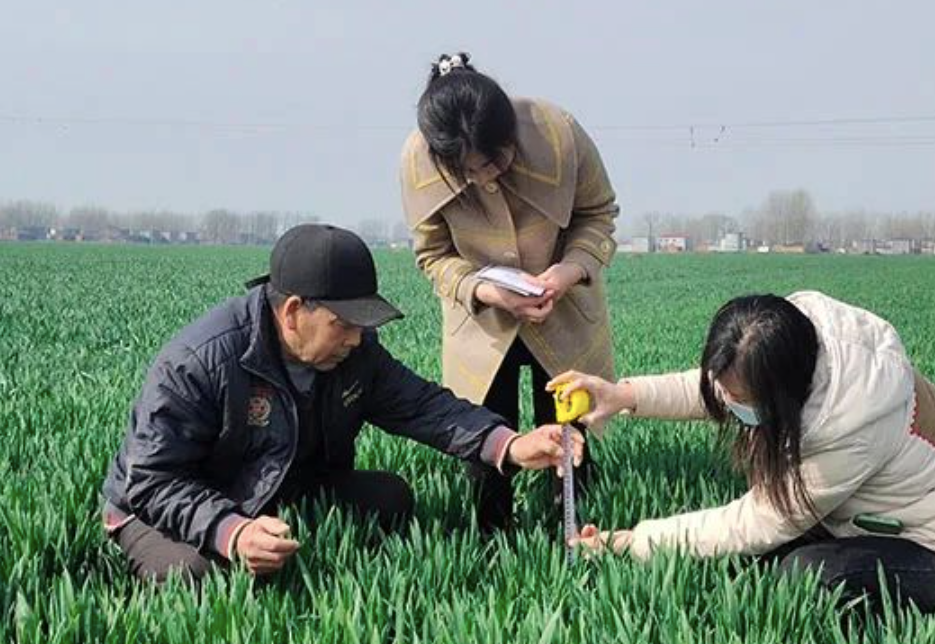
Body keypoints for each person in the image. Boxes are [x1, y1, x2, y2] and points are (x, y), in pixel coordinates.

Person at [101, 224, 582, 583]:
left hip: (282, 487)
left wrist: (511, 445)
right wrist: (231, 530)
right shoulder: (199, 362)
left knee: (390, 499)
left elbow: (423, 406)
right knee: (195, 576)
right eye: (345, 323)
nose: (358, 338)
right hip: (167, 506)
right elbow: (152, 480)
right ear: (293, 312)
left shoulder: (354, 354)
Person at [550, 291, 935, 615]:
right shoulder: (797, 340)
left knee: (803, 576)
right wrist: (623, 395)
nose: (728, 404)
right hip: (913, 515)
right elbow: (725, 389)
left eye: (744, 402)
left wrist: (629, 541)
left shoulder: (850, 428)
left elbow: (752, 523)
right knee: (746, 563)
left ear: (781, 396)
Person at [399, 52, 619, 533]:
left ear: (510, 134)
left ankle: (576, 535)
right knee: (484, 440)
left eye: (496, 161)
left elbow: (598, 212)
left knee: (568, 433)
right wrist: (483, 290)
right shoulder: (417, 163)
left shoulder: (558, 133)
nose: (487, 178)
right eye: (469, 172)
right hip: (482, 323)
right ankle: (492, 539)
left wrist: (570, 270)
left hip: (559, 310)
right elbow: (432, 254)